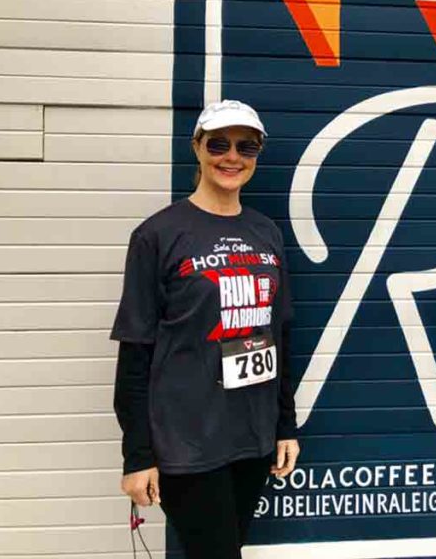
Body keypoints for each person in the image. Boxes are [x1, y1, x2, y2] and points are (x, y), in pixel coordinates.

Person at [111, 99, 300, 559]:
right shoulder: (158, 235)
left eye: (246, 147)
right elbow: (135, 354)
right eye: (218, 143)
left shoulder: (266, 233)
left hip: (251, 438)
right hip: (187, 441)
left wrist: (284, 426)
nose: (231, 157)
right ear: (196, 147)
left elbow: (280, 336)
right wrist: (138, 456)